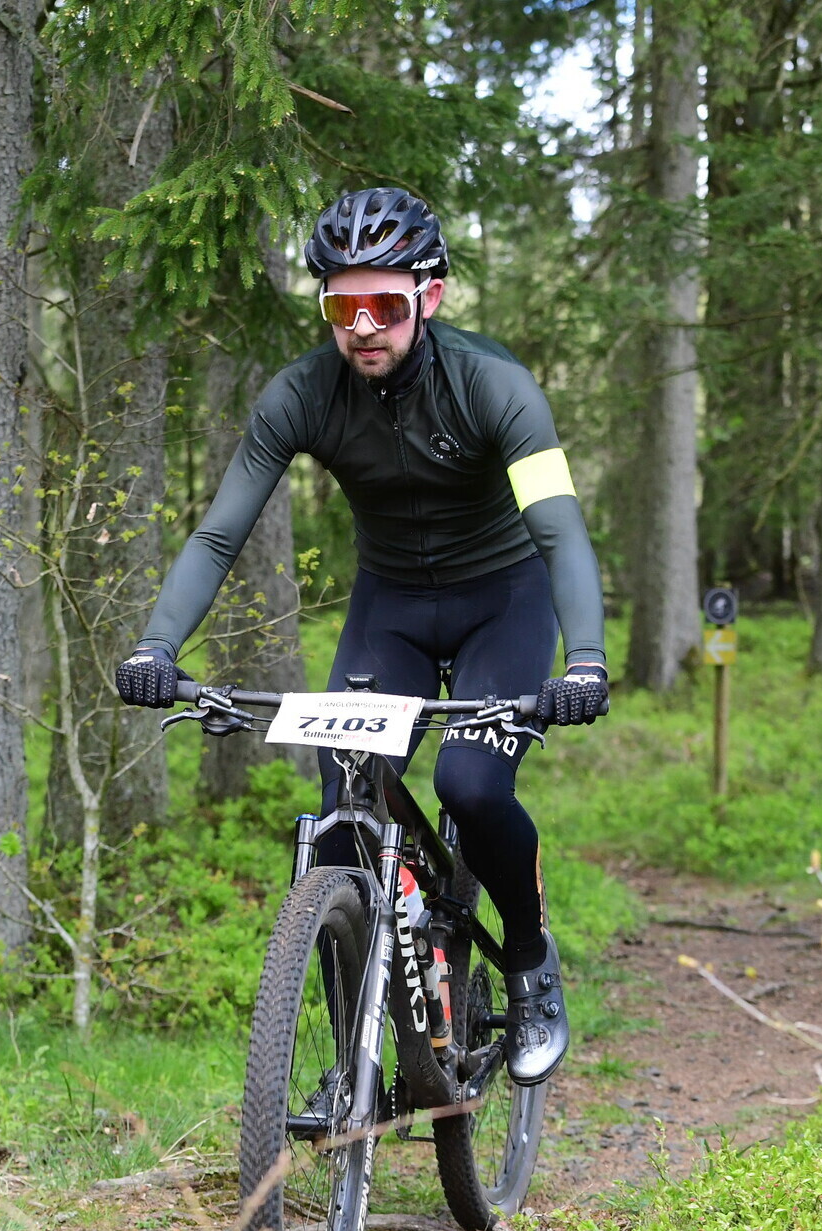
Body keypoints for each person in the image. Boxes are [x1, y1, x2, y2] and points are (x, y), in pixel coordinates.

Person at [114, 188, 609, 1086]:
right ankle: (358, 1060)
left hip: (504, 598)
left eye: (385, 303)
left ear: (432, 296)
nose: (365, 327)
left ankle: (530, 959)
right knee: (345, 804)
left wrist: (585, 661)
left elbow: (560, 531)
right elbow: (220, 534)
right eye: (344, 308)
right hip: (393, 608)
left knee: (470, 782)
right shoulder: (303, 393)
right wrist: (157, 646)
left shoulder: (494, 385)